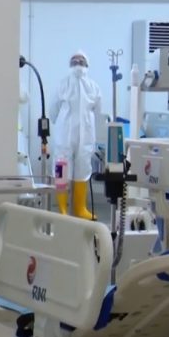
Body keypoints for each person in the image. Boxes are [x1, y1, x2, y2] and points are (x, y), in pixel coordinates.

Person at [50, 51, 101, 220]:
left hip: (85, 137)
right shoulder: (62, 85)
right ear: (69, 65)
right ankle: (62, 208)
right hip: (64, 137)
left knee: (83, 169)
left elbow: (98, 113)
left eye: (81, 60)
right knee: (61, 169)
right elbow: (53, 111)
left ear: (87, 65)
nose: (78, 62)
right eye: (74, 60)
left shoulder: (93, 87)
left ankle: (80, 208)